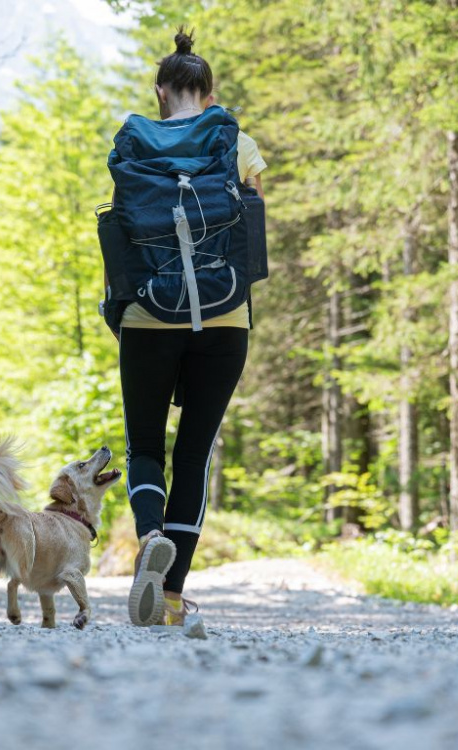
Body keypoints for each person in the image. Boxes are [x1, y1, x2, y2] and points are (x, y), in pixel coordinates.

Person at [115, 28, 267, 627]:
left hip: (147, 312)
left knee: (145, 445)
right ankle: (172, 597)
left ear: (160, 90)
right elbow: (254, 229)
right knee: (195, 453)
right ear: (209, 92)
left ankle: (150, 534)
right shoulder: (238, 142)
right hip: (224, 314)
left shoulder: (133, 143)